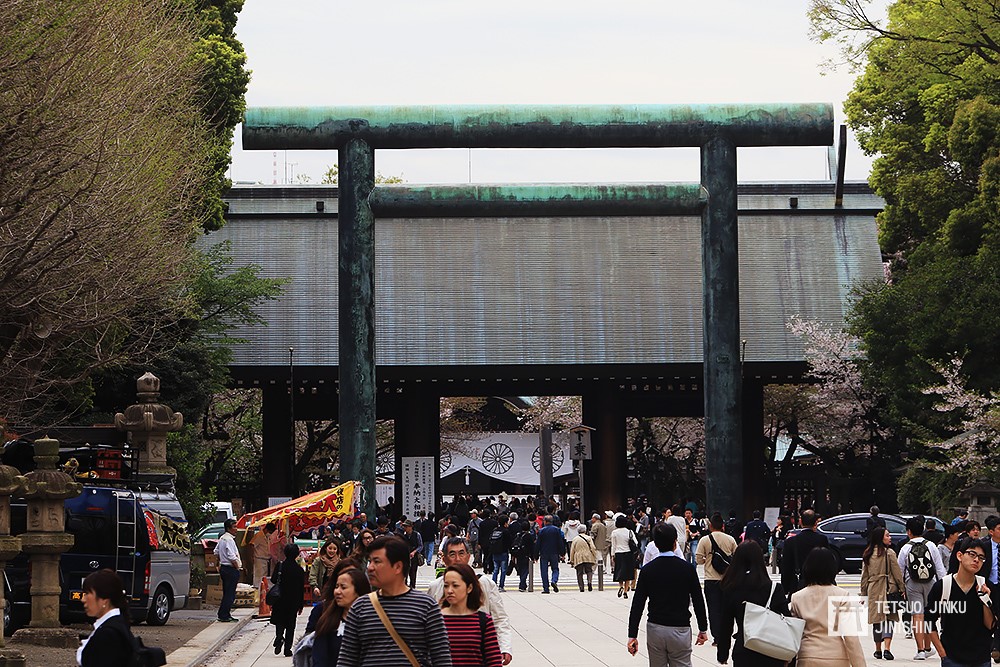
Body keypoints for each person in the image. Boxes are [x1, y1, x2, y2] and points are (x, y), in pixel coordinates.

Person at [338, 536, 452, 667]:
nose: (370, 568)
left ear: (398, 567)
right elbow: (347, 660)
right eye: (370, 561)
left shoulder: (426, 606)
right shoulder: (360, 607)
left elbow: (442, 659)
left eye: (377, 562)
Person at [627, 523, 708, 666]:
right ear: (675, 542)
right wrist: (703, 628)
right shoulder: (687, 569)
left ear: (656, 545)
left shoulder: (647, 570)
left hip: (656, 627)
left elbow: (638, 603)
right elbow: (698, 600)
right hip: (680, 628)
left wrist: (632, 634)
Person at [428, 536, 514, 665]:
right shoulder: (435, 587)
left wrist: (505, 646)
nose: (457, 559)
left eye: (461, 553)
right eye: (452, 554)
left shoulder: (485, 584)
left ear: (468, 557)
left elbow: (500, 618)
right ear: (444, 559)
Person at [926, 536, 995, 667]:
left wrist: (985, 599)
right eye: (972, 554)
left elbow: (991, 625)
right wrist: (942, 653)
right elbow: (929, 620)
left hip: (981, 658)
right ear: (959, 556)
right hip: (952, 658)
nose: (976, 560)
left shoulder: (986, 586)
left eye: (981, 558)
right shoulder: (942, 586)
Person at [719, 541, 790, 667]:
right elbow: (787, 621)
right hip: (772, 650)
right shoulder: (774, 588)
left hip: (744, 649)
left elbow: (726, 624)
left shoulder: (731, 588)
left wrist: (723, 653)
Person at [790, 547, 866, 667]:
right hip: (836, 656)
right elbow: (850, 636)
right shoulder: (841, 595)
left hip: (807, 655)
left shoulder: (797, 597)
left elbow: (794, 633)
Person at [898, 514, 947, 660]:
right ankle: (927, 647)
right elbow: (939, 569)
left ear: (909, 532)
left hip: (912, 584)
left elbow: (900, 570)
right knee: (929, 616)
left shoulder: (905, 548)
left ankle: (920, 651)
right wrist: (943, 586)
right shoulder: (931, 545)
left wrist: (902, 589)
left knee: (917, 616)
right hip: (931, 583)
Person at [440, 564, 503, 667]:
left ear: (469, 588)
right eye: (446, 586)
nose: (449, 590)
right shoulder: (436, 620)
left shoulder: (483, 621)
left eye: (455, 585)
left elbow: (494, 660)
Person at [306, 567, 371, 667]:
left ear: (359, 591)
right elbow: (319, 660)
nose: (337, 591)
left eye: (343, 587)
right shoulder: (327, 622)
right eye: (336, 587)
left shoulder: (373, 621)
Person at [860, 526, 905, 660]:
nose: (890, 538)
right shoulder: (889, 553)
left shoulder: (867, 553)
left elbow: (864, 576)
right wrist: (902, 588)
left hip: (873, 589)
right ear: (880, 538)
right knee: (889, 619)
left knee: (877, 620)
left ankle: (878, 649)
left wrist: (863, 593)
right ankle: (887, 648)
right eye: (887, 535)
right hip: (888, 589)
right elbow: (897, 573)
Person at [77, 569, 136, 667]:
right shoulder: (116, 624)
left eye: (87, 593)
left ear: (104, 600)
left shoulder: (108, 633)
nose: (83, 599)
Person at [696, 512, 737, 646]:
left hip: (711, 579)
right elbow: (737, 557)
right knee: (727, 609)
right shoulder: (730, 539)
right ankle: (726, 635)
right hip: (727, 579)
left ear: (710, 526)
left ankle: (717, 637)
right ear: (723, 526)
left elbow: (698, 559)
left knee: (713, 609)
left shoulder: (705, 540)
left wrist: (708, 559)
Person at [780, 509, 830, 598]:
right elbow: (828, 562)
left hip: (797, 585)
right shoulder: (822, 539)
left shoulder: (791, 541)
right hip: (819, 584)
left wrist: (785, 587)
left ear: (800, 522)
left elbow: (786, 567)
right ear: (815, 523)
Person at [271, 542, 305, 657]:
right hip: (293, 601)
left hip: (280, 598)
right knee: (291, 625)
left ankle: (279, 637)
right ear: (297, 554)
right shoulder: (299, 570)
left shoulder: (280, 566)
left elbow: (274, 580)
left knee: (280, 621)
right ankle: (287, 649)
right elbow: (301, 589)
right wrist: (301, 605)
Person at [214, 518, 242, 623]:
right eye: (234, 527)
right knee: (230, 593)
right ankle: (224, 615)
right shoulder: (229, 540)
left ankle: (223, 613)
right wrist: (237, 566)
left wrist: (220, 561)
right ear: (228, 528)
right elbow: (231, 556)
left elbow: (216, 552)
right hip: (230, 568)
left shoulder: (222, 538)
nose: (236, 529)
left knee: (227, 592)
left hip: (224, 568)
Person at [536, 514, 566, 594]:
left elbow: (538, 543)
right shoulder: (557, 530)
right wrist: (562, 553)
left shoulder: (541, 531)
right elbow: (560, 542)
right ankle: (554, 580)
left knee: (544, 570)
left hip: (544, 552)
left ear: (545, 522)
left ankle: (546, 588)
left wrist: (535, 555)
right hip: (554, 552)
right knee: (555, 568)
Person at [610, 514, 638, 598]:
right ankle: (626, 591)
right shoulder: (629, 532)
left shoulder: (614, 532)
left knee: (619, 571)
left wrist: (612, 555)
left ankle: (621, 586)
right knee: (628, 573)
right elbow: (636, 542)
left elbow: (613, 545)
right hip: (628, 553)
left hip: (618, 553)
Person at [570, 522, 598, 592]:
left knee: (579, 573)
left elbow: (572, 550)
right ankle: (589, 582)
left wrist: (571, 560)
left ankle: (581, 587)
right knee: (589, 570)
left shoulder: (575, 539)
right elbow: (593, 547)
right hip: (588, 556)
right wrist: (595, 555)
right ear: (585, 530)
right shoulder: (588, 538)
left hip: (578, 557)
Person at [488, 514, 512, 591]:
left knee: (495, 570)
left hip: (495, 552)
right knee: (503, 570)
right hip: (503, 552)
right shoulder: (506, 531)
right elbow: (509, 542)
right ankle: (501, 586)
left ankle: (493, 585)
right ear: (505, 523)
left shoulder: (495, 530)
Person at [400, 520, 424, 588]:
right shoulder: (403, 535)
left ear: (411, 527)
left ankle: (412, 588)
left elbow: (420, 545)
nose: (405, 528)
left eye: (406, 526)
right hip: (405, 557)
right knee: (405, 574)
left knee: (413, 574)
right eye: (404, 526)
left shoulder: (417, 535)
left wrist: (414, 552)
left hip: (414, 558)